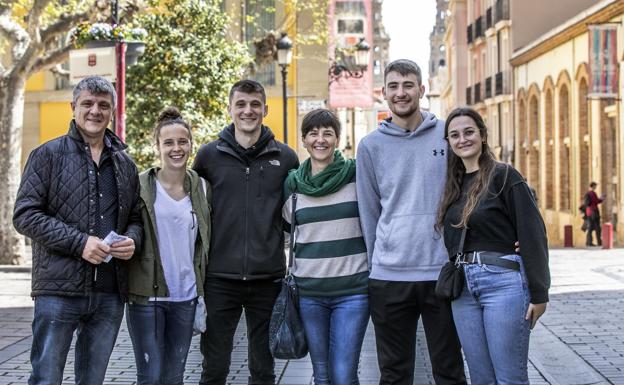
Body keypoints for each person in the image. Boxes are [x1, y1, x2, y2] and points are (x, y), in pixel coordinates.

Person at [13, 76, 142, 385]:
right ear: (73, 107)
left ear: (112, 110)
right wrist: (80, 243)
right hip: (58, 290)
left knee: (92, 380)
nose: (94, 111)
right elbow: (25, 215)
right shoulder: (47, 155)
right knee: (46, 378)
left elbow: (136, 218)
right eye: (87, 103)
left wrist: (133, 241)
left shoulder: (125, 164)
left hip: (110, 292)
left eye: (102, 105)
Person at [356, 59, 467, 385]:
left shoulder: (447, 136)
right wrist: (377, 262)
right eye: (393, 86)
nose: (400, 93)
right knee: (394, 374)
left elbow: (472, 190)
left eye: (407, 85)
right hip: (389, 277)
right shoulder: (370, 146)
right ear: (383, 92)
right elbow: (369, 211)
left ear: (422, 89)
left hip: (440, 273)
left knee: (449, 371)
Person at [192, 79, 299, 385]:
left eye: (254, 105)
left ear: (265, 109)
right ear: (230, 109)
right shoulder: (209, 156)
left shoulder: (287, 158)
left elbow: (295, 214)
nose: (248, 111)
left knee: (264, 370)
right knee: (214, 369)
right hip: (219, 278)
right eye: (241, 104)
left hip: (268, 278)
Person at [436, 107, 550, 384]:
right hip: (463, 289)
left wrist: (539, 292)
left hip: (503, 284)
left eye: (469, 132)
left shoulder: (505, 176)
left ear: (483, 135)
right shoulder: (454, 184)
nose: (462, 139)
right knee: (481, 378)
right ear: (449, 142)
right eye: (454, 135)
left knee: (509, 378)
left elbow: (533, 232)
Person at [282, 109, 369, 385]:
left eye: (328, 133)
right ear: (304, 141)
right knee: (321, 375)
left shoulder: (356, 175)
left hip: (353, 292)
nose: (321, 139)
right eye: (313, 133)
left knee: (343, 375)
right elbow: (286, 235)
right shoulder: (293, 185)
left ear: (337, 139)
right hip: (309, 295)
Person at [126, 107, 211, 385]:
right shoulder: (139, 186)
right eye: (169, 142)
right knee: (150, 377)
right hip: (147, 298)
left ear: (190, 144)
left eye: (182, 141)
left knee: (174, 377)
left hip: (185, 296)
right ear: (158, 146)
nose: (177, 148)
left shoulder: (201, 188)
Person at [584, 181, 605, 246]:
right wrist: (602, 198)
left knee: (590, 228)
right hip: (594, 212)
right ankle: (599, 242)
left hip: (589, 213)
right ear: (593, 186)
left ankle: (589, 242)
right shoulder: (592, 193)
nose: (596, 187)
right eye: (595, 186)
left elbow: (587, 204)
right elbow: (597, 201)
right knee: (597, 228)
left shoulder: (587, 193)